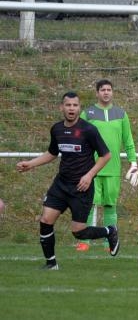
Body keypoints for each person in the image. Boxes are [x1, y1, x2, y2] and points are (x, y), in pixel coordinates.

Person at [16, 92, 119, 270]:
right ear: (61, 107)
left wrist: (89, 176)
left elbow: (106, 155)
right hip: (61, 184)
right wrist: (30, 164)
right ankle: (51, 264)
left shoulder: (88, 130)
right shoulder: (56, 129)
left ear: (79, 108)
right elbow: (52, 153)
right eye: (68, 105)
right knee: (46, 220)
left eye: (75, 105)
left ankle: (110, 231)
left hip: (81, 187)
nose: (71, 108)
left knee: (78, 232)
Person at [75, 79, 138, 252]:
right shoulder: (88, 114)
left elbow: (128, 141)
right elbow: (78, 139)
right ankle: (84, 241)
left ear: (112, 92)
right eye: (102, 89)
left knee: (110, 205)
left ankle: (108, 241)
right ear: (97, 93)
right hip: (91, 169)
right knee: (88, 204)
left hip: (113, 169)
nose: (106, 92)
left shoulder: (121, 114)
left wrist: (133, 163)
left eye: (109, 89)